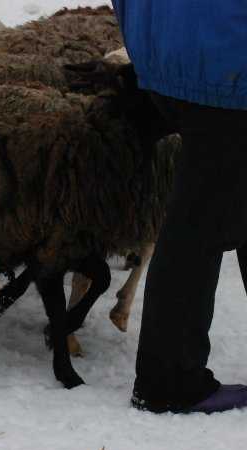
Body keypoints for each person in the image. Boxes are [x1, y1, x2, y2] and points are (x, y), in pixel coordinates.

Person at [112, 1, 247, 413]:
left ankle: (167, 374)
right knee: (198, 221)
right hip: (226, 62)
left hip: (172, 52)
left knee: (222, 202)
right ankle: (167, 379)